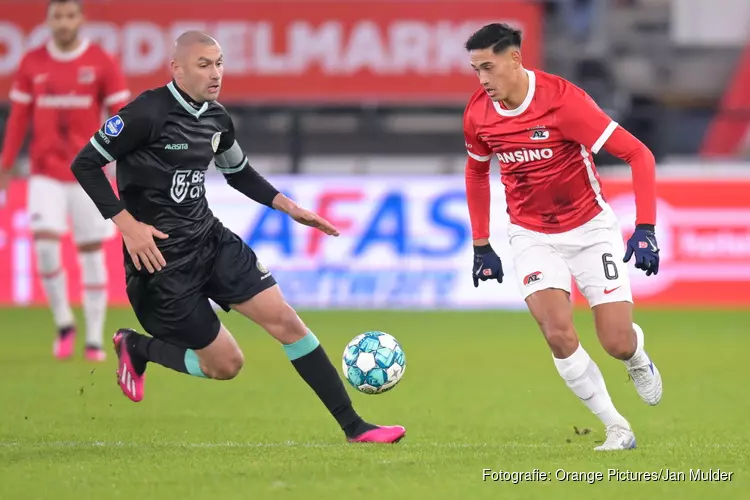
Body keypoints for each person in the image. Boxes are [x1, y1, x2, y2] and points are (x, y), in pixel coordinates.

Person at [69, 31, 405, 444]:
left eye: (220, 63)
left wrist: (289, 206)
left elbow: (238, 172)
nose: (216, 73)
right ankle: (138, 347)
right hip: (160, 264)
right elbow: (85, 163)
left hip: (210, 242)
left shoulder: (216, 117)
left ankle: (356, 427)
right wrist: (128, 225)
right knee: (226, 364)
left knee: (287, 321)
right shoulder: (145, 113)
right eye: (204, 64)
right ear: (177, 68)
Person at [463, 23, 662, 451]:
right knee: (557, 333)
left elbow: (638, 154)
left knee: (616, 342)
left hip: (591, 230)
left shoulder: (564, 102)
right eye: (475, 69)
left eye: (488, 67)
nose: (482, 79)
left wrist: (645, 228)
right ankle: (617, 427)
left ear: (514, 59)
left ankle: (637, 356)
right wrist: (482, 243)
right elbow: (477, 172)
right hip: (530, 234)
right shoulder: (478, 114)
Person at [0, 0, 130, 362]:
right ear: (48, 21)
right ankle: (62, 323)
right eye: (57, 16)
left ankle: (92, 340)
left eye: (70, 15)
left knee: (91, 255)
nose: (63, 22)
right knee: (44, 249)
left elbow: (121, 117)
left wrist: (127, 166)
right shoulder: (32, 63)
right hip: (45, 173)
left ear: (81, 19)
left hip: (89, 173)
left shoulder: (102, 62)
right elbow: (18, 119)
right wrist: (6, 165)